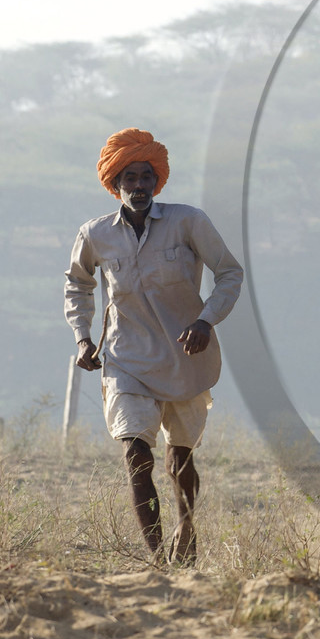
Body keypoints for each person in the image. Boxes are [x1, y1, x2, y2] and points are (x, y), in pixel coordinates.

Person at [64, 128, 243, 562]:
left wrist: (205, 321)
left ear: (157, 180)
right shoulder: (95, 234)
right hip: (126, 359)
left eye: (147, 177)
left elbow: (229, 274)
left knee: (179, 459)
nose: (139, 186)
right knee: (135, 452)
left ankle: (187, 527)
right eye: (130, 178)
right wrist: (84, 338)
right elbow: (77, 285)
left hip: (187, 357)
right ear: (115, 184)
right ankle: (158, 559)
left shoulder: (188, 222)